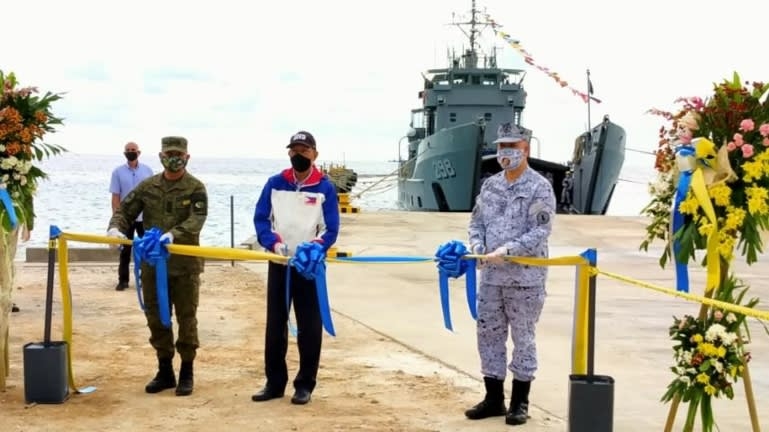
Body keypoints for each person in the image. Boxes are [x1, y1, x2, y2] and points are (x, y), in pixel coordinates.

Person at [465, 122, 556, 426]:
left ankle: (520, 402)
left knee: (523, 337)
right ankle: (493, 399)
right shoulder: (490, 185)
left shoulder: (539, 186)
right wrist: (477, 245)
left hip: (525, 279)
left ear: (525, 149)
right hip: (490, 277)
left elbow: (541, 230)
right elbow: (476, 222)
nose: (505, 154)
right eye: (501, 147)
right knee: (488, 335)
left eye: (512, 148)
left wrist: (508, 250)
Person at [107, 136, 207, 397]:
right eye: (168, 153)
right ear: (161, 156)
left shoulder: (196, 187)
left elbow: (197, 218)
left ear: (187, 157)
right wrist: (115, 228)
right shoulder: (148, 186)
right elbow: (126, 209)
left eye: (178, 153)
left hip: (184, 267)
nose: (173, 157)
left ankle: (187, 371)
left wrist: (173, 234)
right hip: (152, 266)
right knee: (155, 317)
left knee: (186, 318)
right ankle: (165, 370)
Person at [251, 130, 340, 405]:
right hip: (279, 262)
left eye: (304, 150)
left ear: (314, 154)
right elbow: (261, 219)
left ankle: (305, 385)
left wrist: (314, 247)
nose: (298, 155)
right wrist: (274, 244)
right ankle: (275, 382)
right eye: (294, 150)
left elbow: (331, 228)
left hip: (309, 265)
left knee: (309, 326)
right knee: (275, 324)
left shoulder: (324, 187)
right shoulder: (275, 183)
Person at [109, 141, 154, 291]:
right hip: (126, 218)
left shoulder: (147, 171)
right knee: (125, 251)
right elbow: (115, 196)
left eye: (133, 150)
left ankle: (144, 279)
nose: (130, 152)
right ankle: (123, 280)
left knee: (145, 250)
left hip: (144, 217)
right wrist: (116, 219)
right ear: (124, 153)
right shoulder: (117, 172)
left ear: (139, 152)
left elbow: (153, 195)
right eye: (128, 150)